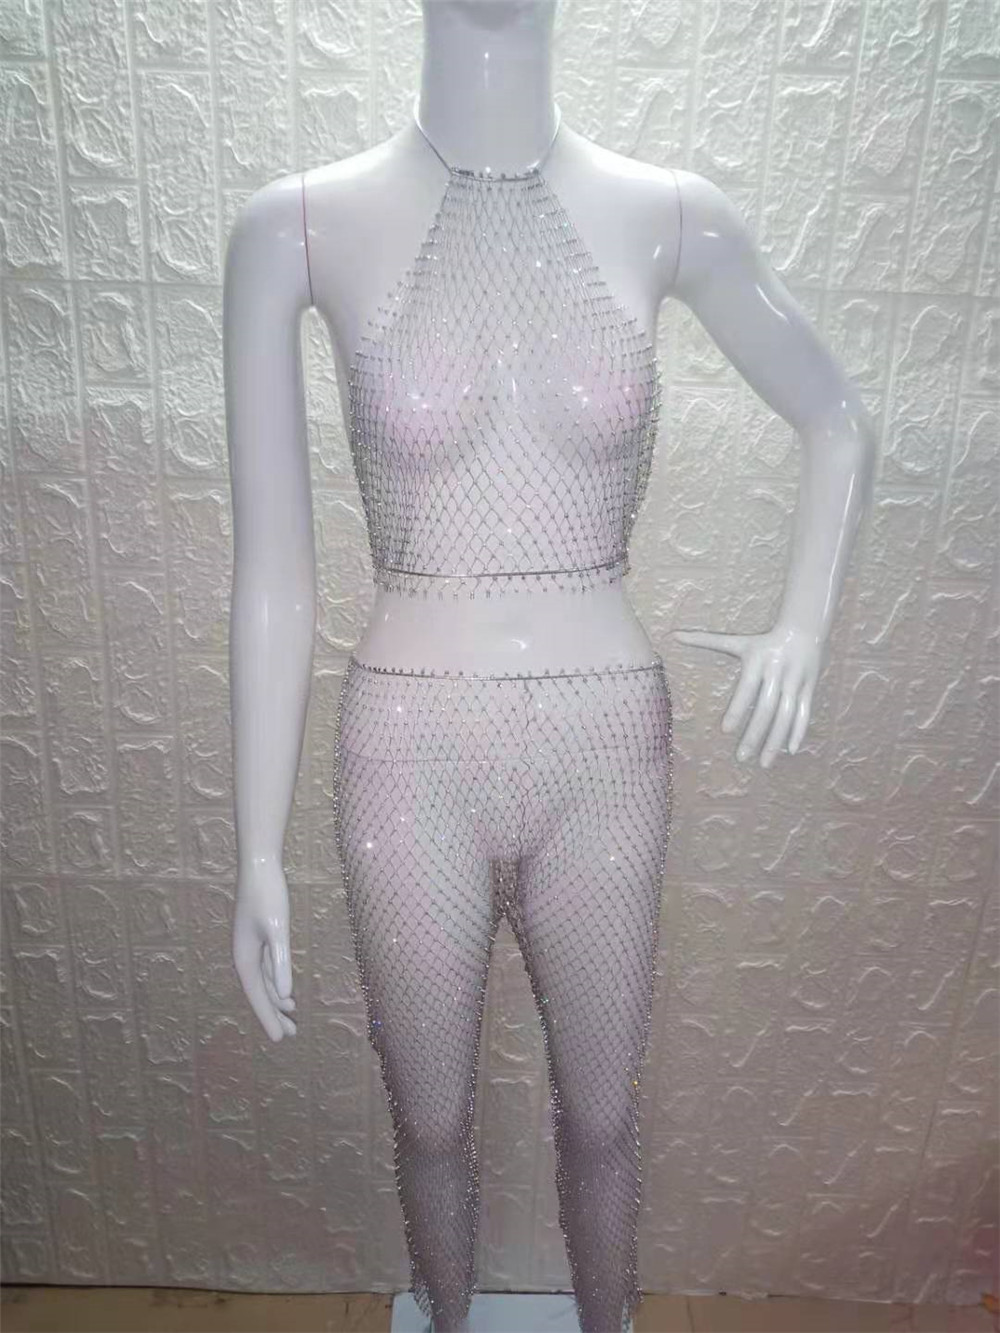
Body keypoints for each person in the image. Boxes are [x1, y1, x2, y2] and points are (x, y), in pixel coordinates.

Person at [222, 3, 877, 1329]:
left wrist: (802, 624)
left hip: (607, 746)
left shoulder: (672, 214)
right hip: (408, 749)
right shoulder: (294, 226)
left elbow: (838, 417)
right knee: (428, 1121)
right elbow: (274, 575)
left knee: (604, 1116)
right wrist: (254, 851)